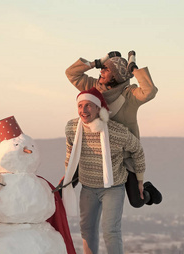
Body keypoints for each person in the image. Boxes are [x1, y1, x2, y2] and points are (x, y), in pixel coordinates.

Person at [63, 87, 146, 254]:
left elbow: (137, 149)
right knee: (87, 229)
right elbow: (70, 153)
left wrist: (139, 179)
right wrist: (68, 177)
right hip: (88, 187)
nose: (83, 110)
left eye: (88, 105)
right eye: (80, 105)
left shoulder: (116, 132)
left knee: (111, 231)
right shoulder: (73, 127)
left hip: (113, 188)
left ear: (99, 107)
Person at [65, 50, 162, 208]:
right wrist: (96, 62)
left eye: (107, 69)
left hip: (123, 152)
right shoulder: (94, 88)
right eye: (101, 68)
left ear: (117, 75)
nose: (101, 72)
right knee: (70, 180)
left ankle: (148, 191)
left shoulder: (129, 95)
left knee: (137, 201)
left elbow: (149, 91)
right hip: (95, 151)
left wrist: (134, 70)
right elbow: (71, 74)